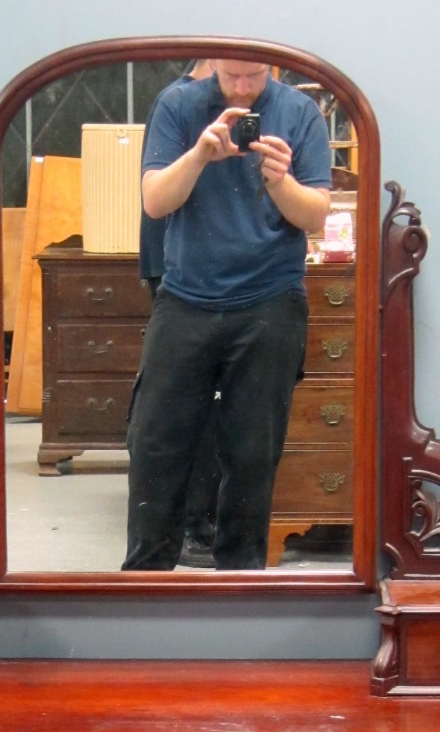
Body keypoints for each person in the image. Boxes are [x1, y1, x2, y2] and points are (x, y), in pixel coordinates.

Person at [122, 61, 331, 571]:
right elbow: (154, 202)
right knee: (154, 448)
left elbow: (316, 216)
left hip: (269, 302)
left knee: (251, 457)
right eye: (232, 76)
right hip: (186, 297)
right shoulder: (179, 105)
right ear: (214, 60)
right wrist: (199, 155)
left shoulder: (301, 112)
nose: (242, 88)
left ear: (271, 65)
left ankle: (242, 584)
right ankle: (145, 586)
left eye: (253, 77)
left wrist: (280, 182)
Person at [138, 60, 221, 568]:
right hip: (179, 273)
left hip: (200, 272)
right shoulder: (179, 103)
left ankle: (200, 524)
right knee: (185, 411)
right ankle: (192, 526)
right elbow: (159, 198)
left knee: (202, 407)